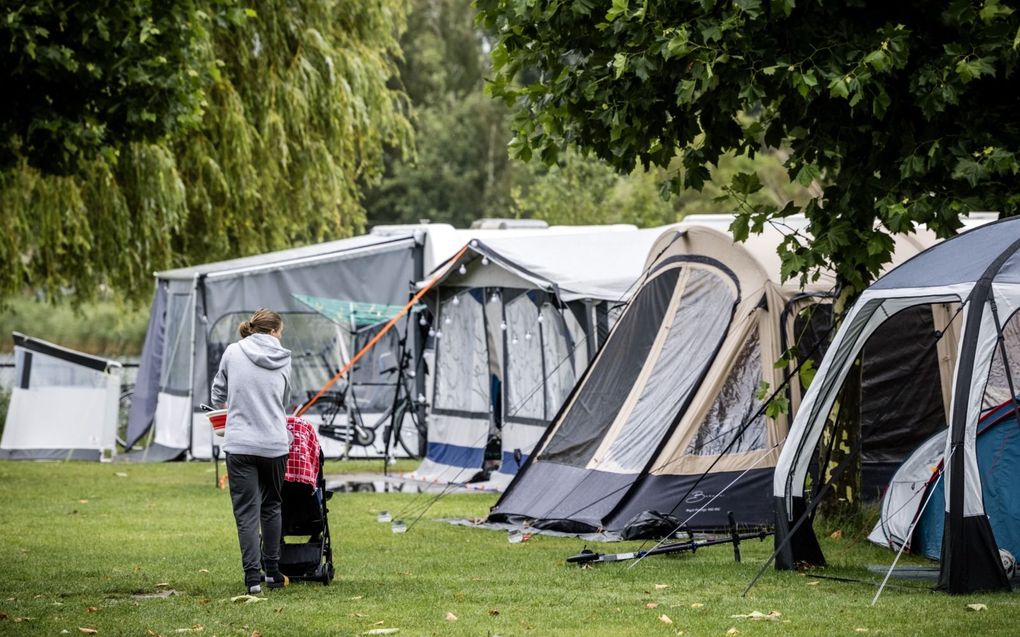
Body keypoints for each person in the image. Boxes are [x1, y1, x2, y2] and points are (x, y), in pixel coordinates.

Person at [211, 308, 292, 594]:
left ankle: (251, 579)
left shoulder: (233, 352)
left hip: (240, 443)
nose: (280, 336)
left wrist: (226, 410)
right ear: (272, 332)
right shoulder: (285, 358)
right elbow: (284, 401)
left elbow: (218, 392)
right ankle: (272, 572)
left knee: (246, 512)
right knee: (272, 507)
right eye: (280, 331)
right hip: (274, 444)